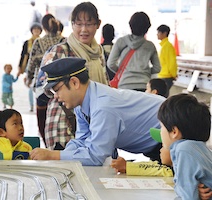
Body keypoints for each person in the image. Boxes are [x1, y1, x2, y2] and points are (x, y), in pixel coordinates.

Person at [30, 57, 165, 166]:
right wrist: (63, 156)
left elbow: (96, 155)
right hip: (155, 142)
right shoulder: (81, 104)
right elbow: (82, 140)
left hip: (170, 132)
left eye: (57, 89)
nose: (56, 96)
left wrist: (53, 155)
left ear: (75, 83)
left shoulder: (102, 106)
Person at [40, 2, 109, 150]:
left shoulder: (98, 53)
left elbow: (105, 87)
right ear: (72, 25)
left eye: (89, 24)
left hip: (95, 121)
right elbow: (44, 86)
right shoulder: (60, 50)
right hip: (64, 120)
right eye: (79, 24)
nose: (83, 30)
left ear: (98, 24)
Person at [158, 94, 212, 199]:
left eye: (161, 127)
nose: (161, 132)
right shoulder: (200, 149)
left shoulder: (184, 149)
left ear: (174, 131)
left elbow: (187, 197)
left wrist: (190, 191)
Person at [26, 13, 65, 147]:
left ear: (43, 27)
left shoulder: (38, 42)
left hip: (42, 86)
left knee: (42, 118)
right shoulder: (64, 41)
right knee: (62, 118)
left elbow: (32, 63)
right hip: (61, 87)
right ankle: (60, 146)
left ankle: (47, 145)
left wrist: (29, 77)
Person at [107, 12, 160, 91]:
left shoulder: (121, 41)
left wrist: (123, 71)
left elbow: (110, 64)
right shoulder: (150, 46)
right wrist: (145, 72)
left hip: (124, 85)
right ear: (147, 28)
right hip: (144, 85)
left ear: (130, 25)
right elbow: (157, 68)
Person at [18, 22, 42, 112]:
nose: (36, 31)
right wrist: (20, 67)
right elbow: (23, 55)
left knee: (37, 86)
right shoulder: (27, 42)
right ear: (31, 31)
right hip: (29, 67)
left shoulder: (42, 42)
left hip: (40, 67)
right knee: (30, 86)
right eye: (34, 30)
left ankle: (38, 103)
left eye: (38, 30)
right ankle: (32, 105)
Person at [157, 24, 178, 96]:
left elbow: (172, 63)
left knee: (162, 97)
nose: (157, 34)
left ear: (165, 33)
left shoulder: (168, 46)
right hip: (163, 75)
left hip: (166, 76)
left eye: (159, 32)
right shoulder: (164, 46)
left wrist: (173, 74)